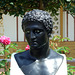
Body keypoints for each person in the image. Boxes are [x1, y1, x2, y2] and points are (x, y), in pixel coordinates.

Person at [10, 9, 67, 75]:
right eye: (27, 32)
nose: (32, 37)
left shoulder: (59, 60)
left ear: (49, 32)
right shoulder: (17, 59)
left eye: (37, 32)